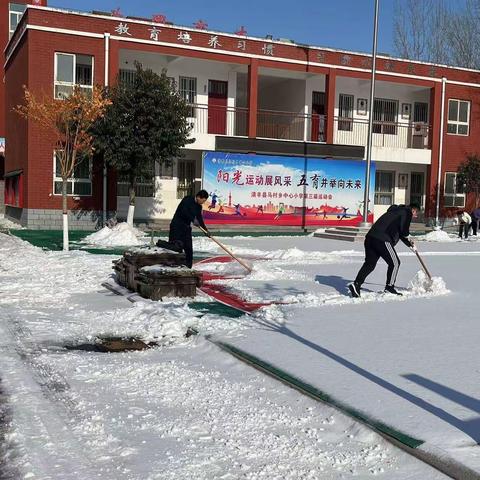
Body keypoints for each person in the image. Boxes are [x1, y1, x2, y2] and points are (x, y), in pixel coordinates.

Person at [348, 203, 420, 297]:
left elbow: (400, 232)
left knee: (370, 264)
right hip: (383, 239)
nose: (415, 215)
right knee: (395, 263)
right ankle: (389, 288)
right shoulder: (407, 212)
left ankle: (356, 284)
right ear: (413, 210)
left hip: (370, 238)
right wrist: (409, 238)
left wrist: (410, 245)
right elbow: (404, 230)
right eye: (416, 213)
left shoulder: (395, 212)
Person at [157, 190, 210, 268]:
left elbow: (199, 219)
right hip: (177, 226)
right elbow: (184, 211)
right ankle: (171, 264)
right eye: (203, 200)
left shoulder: (199, 207)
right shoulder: (187, 199)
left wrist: (205, 230)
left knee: (189, 250)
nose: (203, 202)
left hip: (186, 228)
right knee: (176, 248)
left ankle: (188, 267)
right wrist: (192, 219)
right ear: (198, 197)